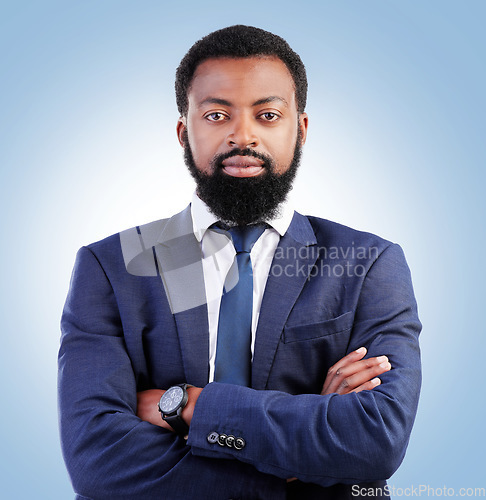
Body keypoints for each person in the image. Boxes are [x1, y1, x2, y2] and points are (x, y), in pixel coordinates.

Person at [59, 25, 421, 500]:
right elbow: (97, 461)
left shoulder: (370, 264)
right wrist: (303, 464)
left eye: (268, 114)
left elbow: (375, 442)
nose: (243, 135)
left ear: (301, 129)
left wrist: (190, 406)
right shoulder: (109, 268)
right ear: (184, 132)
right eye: (216, 114)